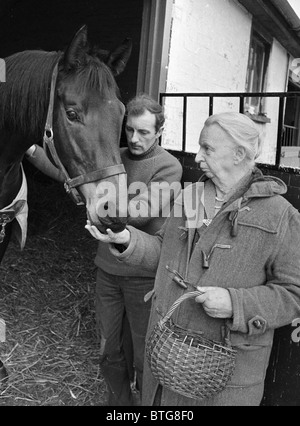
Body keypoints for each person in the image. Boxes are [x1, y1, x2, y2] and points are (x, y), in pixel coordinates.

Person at [86, 111, 300, 406]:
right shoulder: (190, 195)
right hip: (165, 361)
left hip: (225, 383)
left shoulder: (280, 215)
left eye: (207, 149)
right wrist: (126, 239)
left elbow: (294, 294)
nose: (198, 158)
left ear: (239, 154)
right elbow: (164, 251)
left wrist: (235, 303)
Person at [92, 94, 182, 406]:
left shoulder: (169, 167)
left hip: (143, 277)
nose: (134, 138)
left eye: (144, 132)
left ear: (159, 130)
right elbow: (73, 171)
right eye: (130, 130)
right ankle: (119, 406)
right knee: (109, 347)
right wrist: (34, 149)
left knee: (146, 353)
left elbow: (143, 210)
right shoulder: (115, 157)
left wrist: (98, 206)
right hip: (107, 271)